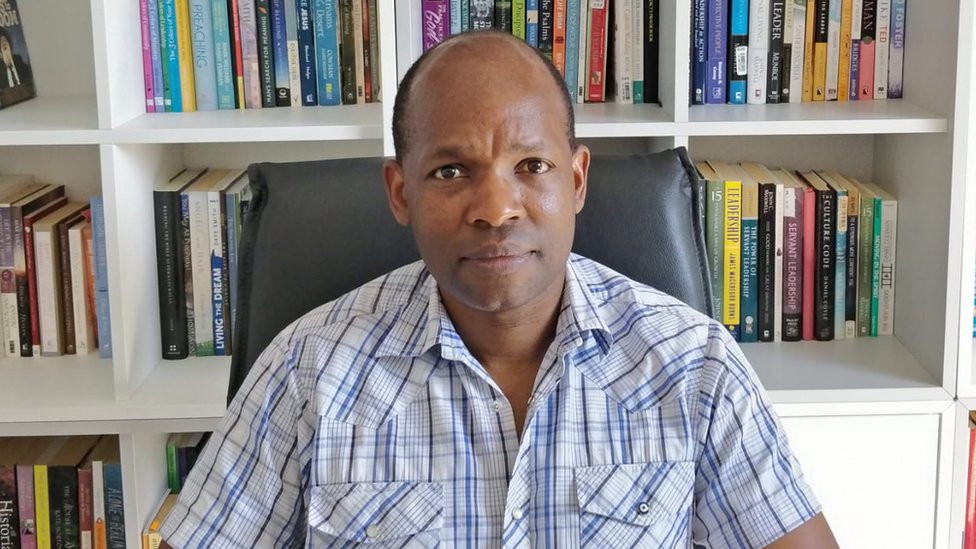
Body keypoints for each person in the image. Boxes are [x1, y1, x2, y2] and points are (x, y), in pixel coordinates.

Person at [160, 30, 839, 548]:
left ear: (576, 181)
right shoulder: (307, 371)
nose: (495, 207)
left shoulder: (694, 366)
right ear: (401, 192)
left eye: (531, 165)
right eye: (452, 171)